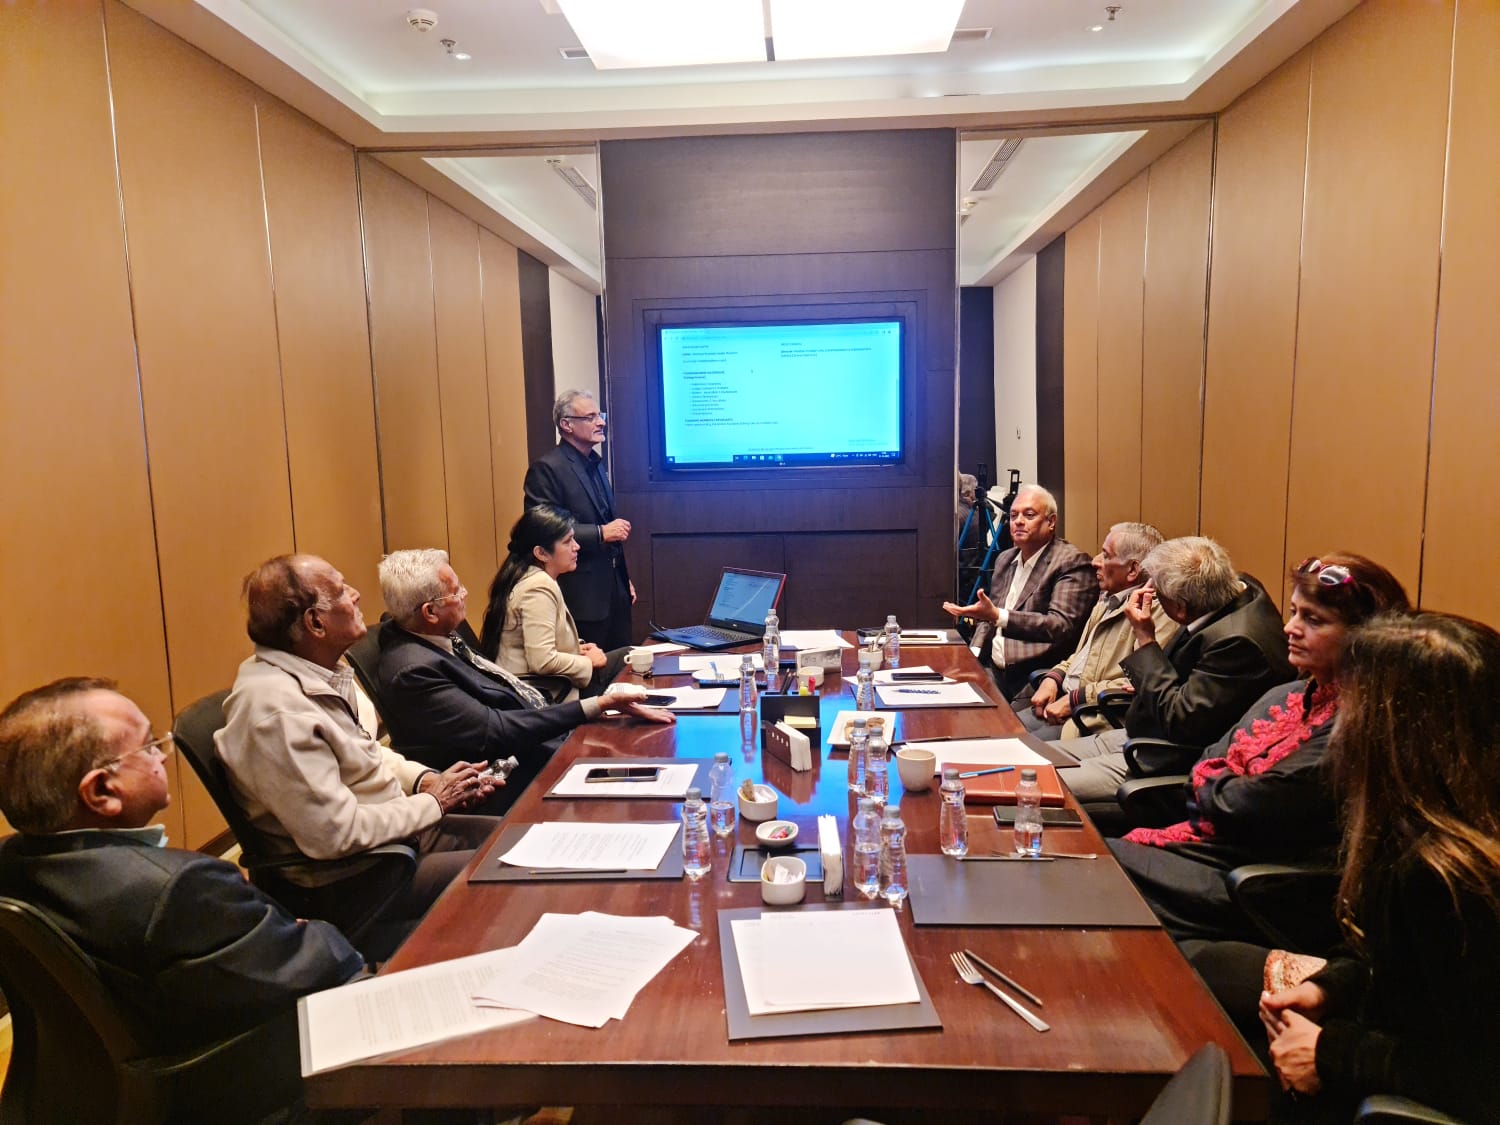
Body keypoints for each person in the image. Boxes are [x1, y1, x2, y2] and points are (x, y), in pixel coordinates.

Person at [0, 677, 363, 1051]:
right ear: (102, 791)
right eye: (148, 746)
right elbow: (316, 966)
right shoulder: (181, 888)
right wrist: (312, 929)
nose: (162, 756)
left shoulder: (11, 864)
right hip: (247, 1066)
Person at [1234, 612, 1500, 1124]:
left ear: (1393, 729)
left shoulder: (1448, 876)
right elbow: (1384, 956)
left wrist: (1331, 1053)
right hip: (1380, 1039)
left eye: (1351, 702)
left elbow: (1479, 1074)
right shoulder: (1420, 827)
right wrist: (1328, 987)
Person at [1108, 554, 1411, 944]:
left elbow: (1242, 806)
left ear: (1366, 636)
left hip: (1252, 881)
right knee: (1085, 866)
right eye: (1294, 612)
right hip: (1205, 845)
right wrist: (1222, 782)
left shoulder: (1355, 728)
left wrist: (1219, 781)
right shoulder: (1288, 693)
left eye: (1313, 620)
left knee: (1093, 876)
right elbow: (1208, 761)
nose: (1290, 628)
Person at [217, 554, 500, 934]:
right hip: (356, 876)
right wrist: (433, 803)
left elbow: (365, 751)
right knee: (508, 867)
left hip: (396, 835)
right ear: (315, 622)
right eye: (340, 591)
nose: (356, 595)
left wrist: (426, 781)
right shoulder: (276, 712)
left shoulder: (319, 672)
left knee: (519, 837)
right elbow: (336, 834)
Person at [375, 548, 672, 807]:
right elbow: (496, 730)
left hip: (536, 731)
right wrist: (595, 705)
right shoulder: (413, 670)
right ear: (429, 612)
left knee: (641, 744)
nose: (465, 594)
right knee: (637, 769)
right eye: (456, 591)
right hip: (512, 771)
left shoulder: (435, 633)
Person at [1057, 536, 1293, 817]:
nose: (1150, 594)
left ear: (1180, 607)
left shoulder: (1237, 645)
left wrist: (1145, 639)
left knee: (1040, 782)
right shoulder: (1240, 587)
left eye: (1157, 593)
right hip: (1139, 734)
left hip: (1164, 759)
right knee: (1035, 761)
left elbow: (1179, 720)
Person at [1018, 521, 1177, 739]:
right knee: (1000, 729)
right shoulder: (1107, 600)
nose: (1095, 561)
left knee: (1015, 747)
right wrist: (1053, 678)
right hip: (1065, 700)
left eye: (1106, 555)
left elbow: (1142, 682)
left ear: (1132, 570)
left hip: (1092, 717)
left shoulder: (1156, 612)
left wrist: (1076, 698)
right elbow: (1081, 658)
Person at [941, 484, 1099, 698]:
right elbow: (988, 618)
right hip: (992, 668)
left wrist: (998, 616)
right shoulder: (1005, 559)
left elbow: (1060, 626)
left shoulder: (1071, 562)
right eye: (1014, 515)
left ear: (1051, 522)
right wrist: (972, 657)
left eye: (1029, 515)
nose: (1019, 521)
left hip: (1033, 677)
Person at [523, 389, 635, 650]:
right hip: (583, 597)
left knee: (622, 663)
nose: (601, 422)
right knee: (591, 668)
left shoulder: (596, 465)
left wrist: (622, 578)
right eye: (590, 417)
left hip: (614, 591)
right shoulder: (548, 468)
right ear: (567, 425)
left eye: (600, 415)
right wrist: (600, 533)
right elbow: (542, 528)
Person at [479, 505, 627, 701]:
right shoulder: (538, 587)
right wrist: (588, 662)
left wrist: (576, 649)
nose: (577, 546)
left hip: (545, 685)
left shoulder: (528, 575)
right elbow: (542, 661)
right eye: (567, 541)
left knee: (629, 655)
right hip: (545, 693)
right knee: (630, 662)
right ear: (541, 553)